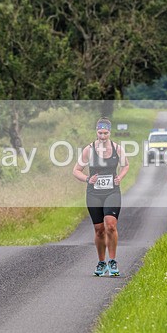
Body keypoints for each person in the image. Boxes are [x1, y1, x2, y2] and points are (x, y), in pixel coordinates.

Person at [72, 117, 129, 277]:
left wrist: (120, 177)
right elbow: (76, 170)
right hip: (94, 193)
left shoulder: (117, 149)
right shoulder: (89, 150)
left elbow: (126, 165)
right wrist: (88, 179)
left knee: (111, 225)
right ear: (96, 132)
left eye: (105, 133)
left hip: (112, 191)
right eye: (100, 133)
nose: (102, 136)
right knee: (99, 230)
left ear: (110, 133)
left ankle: (112, 260)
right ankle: (101, 262)